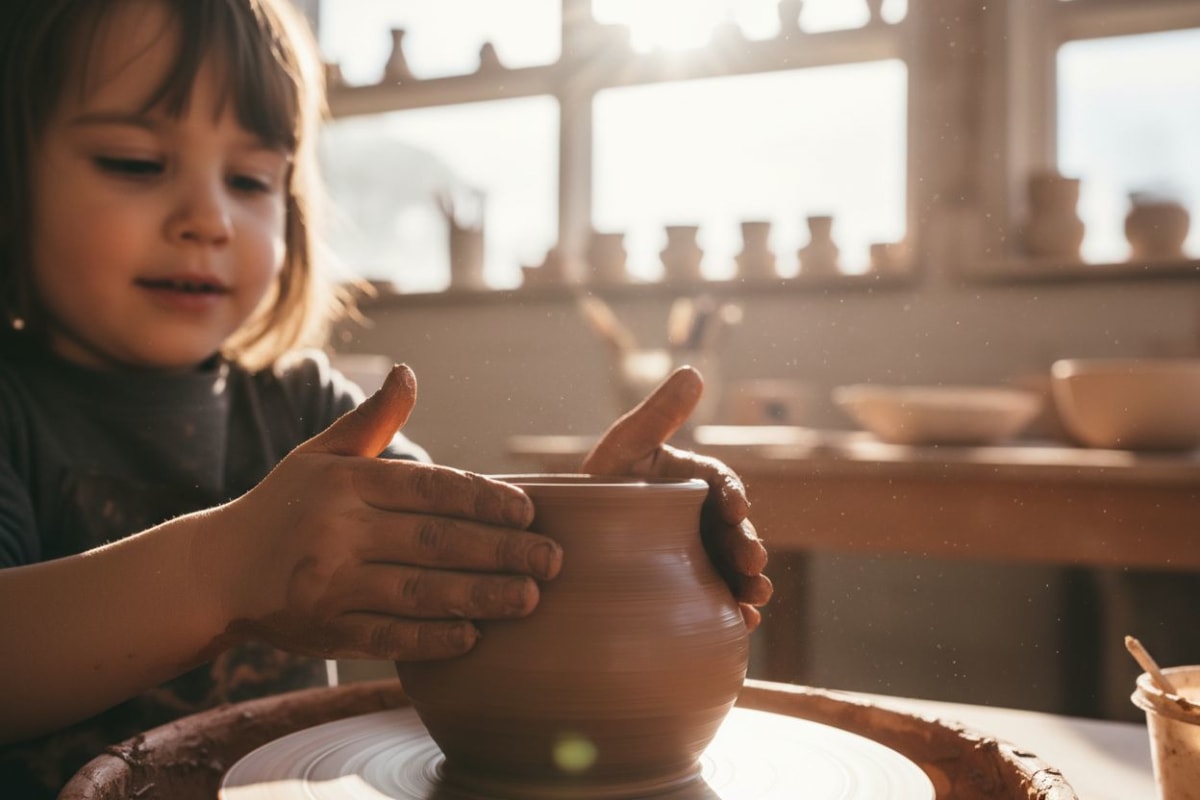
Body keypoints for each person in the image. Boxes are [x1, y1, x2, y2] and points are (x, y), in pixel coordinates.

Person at [0, 0, 772, 795]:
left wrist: (604, 525)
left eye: (250, 179)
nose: (210, 220)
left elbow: (461, 565)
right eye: (133, 162)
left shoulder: (310, 409)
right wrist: (225, 571)